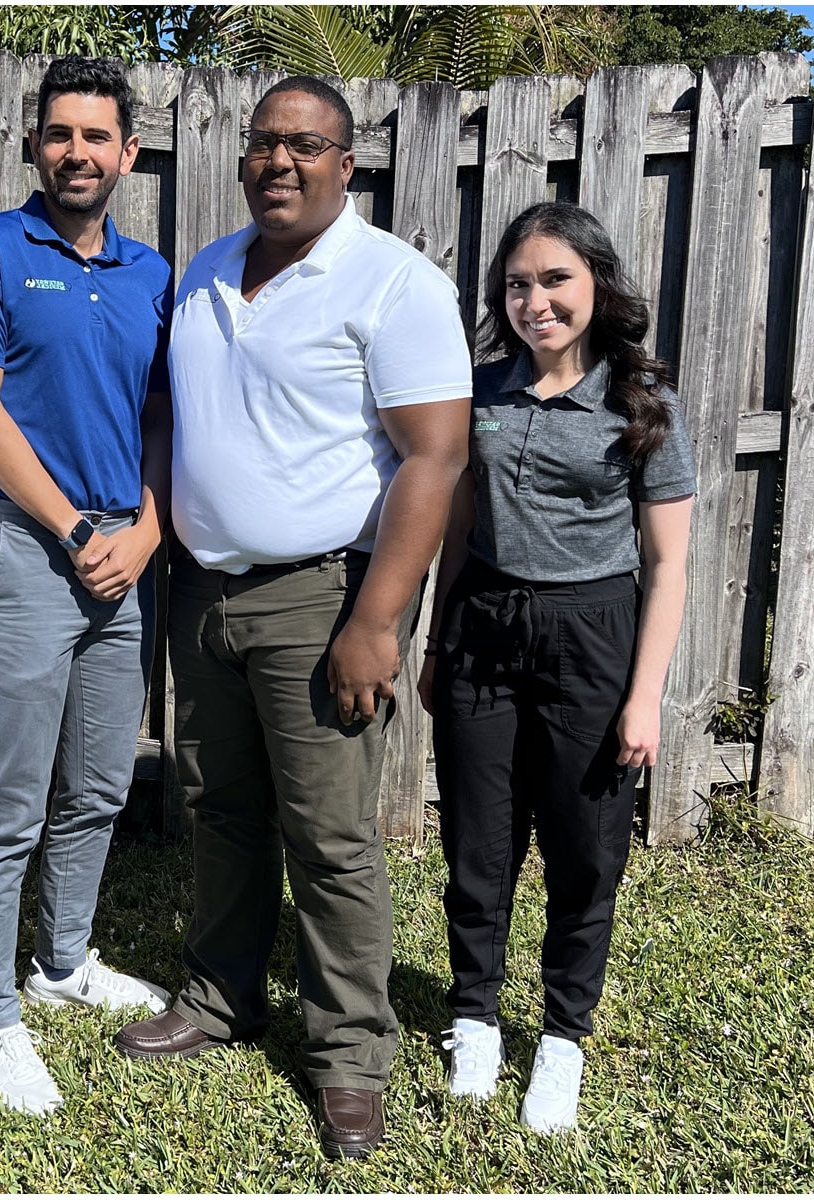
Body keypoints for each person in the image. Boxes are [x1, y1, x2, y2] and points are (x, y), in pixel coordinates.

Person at [114, 76, 472, 1160]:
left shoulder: (393, 283)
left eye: (305, 146)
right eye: (264, 144)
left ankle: (351, 1055)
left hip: (324, 598)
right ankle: (225, 997)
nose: (280, 161)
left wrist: (376, 620)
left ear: (345, 163)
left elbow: (435, 455)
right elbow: (180, 416)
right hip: (205, 590)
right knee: (219, 811)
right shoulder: (212, 270)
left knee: (329, 838)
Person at [417, 202, 696, 1133]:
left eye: (555, 280)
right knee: (478, 843)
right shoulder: (480, 391)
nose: (535, 301)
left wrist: (645, 695)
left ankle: (564, 1037)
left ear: (597, 286)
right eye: (517, 284)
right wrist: (433, 640)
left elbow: (668, 563)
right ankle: (475, 1018)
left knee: (584, 848)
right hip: (483, 623)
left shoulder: (640, 400)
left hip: (592, 635)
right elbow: (458, 525)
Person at [0, 56, 172, 1117]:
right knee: (11, 804)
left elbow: (167, 421)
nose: (78, 152)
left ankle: (61, 960)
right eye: (59, 133)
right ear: (34, 144)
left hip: (125, 558)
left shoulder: (150, 274)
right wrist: (77, 527)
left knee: (99, 787)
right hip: (31, 553)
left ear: (129, 152)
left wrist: (148, 532)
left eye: (97, 136)